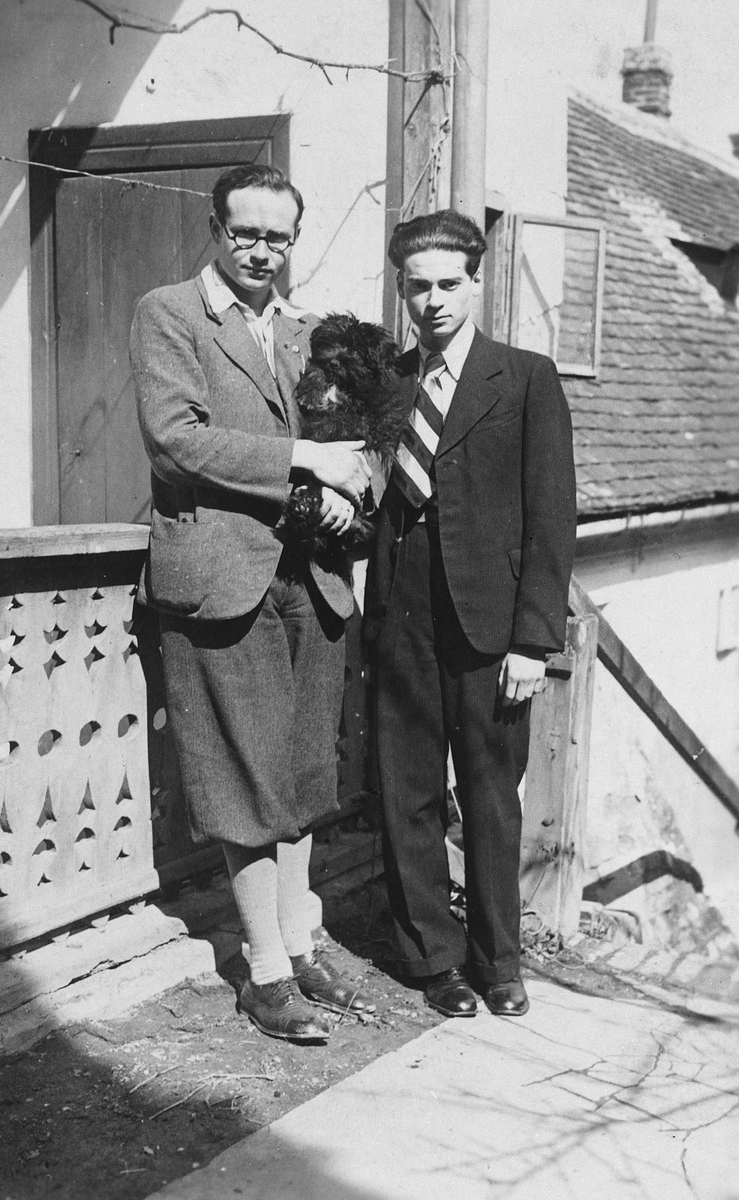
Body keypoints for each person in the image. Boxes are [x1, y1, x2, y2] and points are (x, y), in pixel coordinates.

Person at [130, 164, 375, 1042]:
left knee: (305, 775)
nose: (262, 249)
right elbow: (176, 441)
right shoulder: (170, 313)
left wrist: (355, 487)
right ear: (215, 226)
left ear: (293, 239)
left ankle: (301, 946)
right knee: (243, 778)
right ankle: (265, 972)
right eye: (246, 233)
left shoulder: (311, 332)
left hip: (310, 578)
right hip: (220, 581)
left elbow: (357, 443)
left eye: (278, 235)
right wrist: (309, 462)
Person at [366, 210, 576, 1017]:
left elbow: (549, 515)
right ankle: (433, 960)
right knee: (404, 793)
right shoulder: (387, 383)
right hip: (401, 616)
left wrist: (533, 640)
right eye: (417, 287)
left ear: (476, 282)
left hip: (490, 623)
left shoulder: (524, 377)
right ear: (401, 290)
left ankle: (500, 962)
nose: (433, 302)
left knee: (490, 797)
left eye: (448, 284)